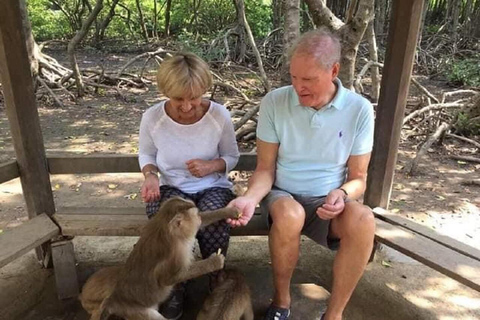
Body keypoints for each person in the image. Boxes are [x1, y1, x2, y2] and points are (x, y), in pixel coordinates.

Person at [228, 27, 376, 320]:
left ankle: (334, 314)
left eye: (308, 79)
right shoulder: (275, 102)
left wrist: (342, 194)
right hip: (283, 194)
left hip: (328, 201)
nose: (298, 87)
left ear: (334, 70)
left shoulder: (359, 109)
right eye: (294, 77)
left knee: (364, 220)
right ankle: (281, 302)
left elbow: (359, 177)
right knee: (289, 214)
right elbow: (265, 169)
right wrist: (249, 198)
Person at [138, 52, 240, 320]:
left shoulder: (219, 116)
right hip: (173, 186)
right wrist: (150, 175)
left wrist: (211, 166)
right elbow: (147, 155)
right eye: (178, 99)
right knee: (167, 224)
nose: (186, 106)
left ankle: (215, 280)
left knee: (214, 221)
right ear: (165, 92)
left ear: (204, 90)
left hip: (212, 185)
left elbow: (232, 156)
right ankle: (175, 284)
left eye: (194, 98)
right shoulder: (152, 118)